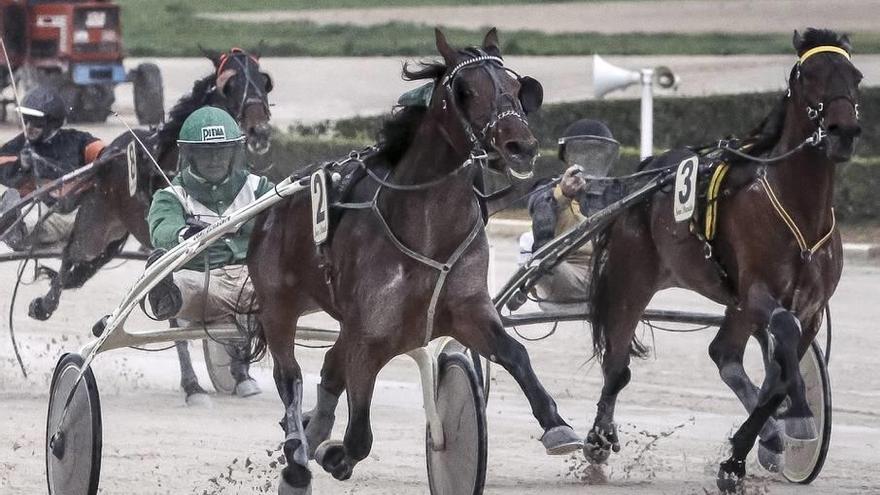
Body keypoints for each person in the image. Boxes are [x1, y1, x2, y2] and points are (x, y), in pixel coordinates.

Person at [145, 106, 274, 398]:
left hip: (253, 279)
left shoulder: (259, 188)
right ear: (189, 156)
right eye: (206, 153)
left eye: (221, 151)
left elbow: (288, 219)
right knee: (187, 285)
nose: (215, 159)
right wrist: (181, 234)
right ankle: (166, 293)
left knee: (281, 282)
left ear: (234, 152)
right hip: (204, 279)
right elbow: (161, 229)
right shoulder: (171, 196)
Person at [521, 119, 620, 311]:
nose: (591, 158)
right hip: (564, 271)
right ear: (566, 156)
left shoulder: (617, 191)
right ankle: (527, 281)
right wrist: (562, 194)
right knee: (542, 260)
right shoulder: (547, 187)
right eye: (583, 151)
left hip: (608, 274)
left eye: (598, 152)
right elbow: (538, 204)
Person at [0, 86, 105, 249]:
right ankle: (14, 227)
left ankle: (17, 229)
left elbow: (105, 153)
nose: (28, 127)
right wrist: (21, 164)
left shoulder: (77, 140)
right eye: (25, 120)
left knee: (67, 220)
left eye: (36, 123)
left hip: (71, 211)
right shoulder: (20, 144)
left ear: (52, 122)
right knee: (30, 211)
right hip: (33, 207)